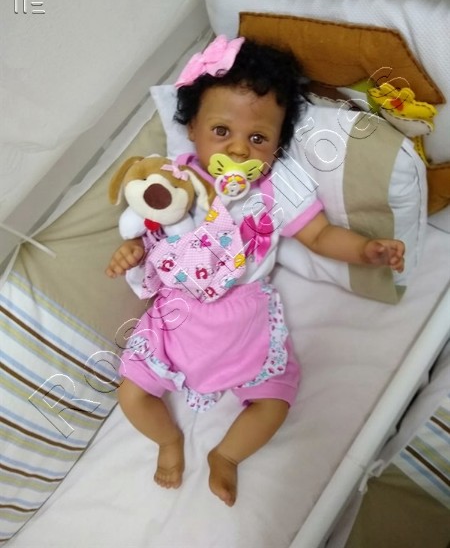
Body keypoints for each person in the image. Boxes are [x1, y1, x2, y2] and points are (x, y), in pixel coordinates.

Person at [106, 35, 405, 507]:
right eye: (221, 131)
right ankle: (168, 439)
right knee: (131, 395)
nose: (239, 149)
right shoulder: (175, 178)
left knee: (275, 401)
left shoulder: (277, 187)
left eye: (258, 138)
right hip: (176, 315)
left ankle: (226, 455)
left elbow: (320, 236)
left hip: (243, 319)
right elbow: (150, 231)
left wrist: (366, 250)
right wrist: (131, 251)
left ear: (277, 145)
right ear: (193, 129)